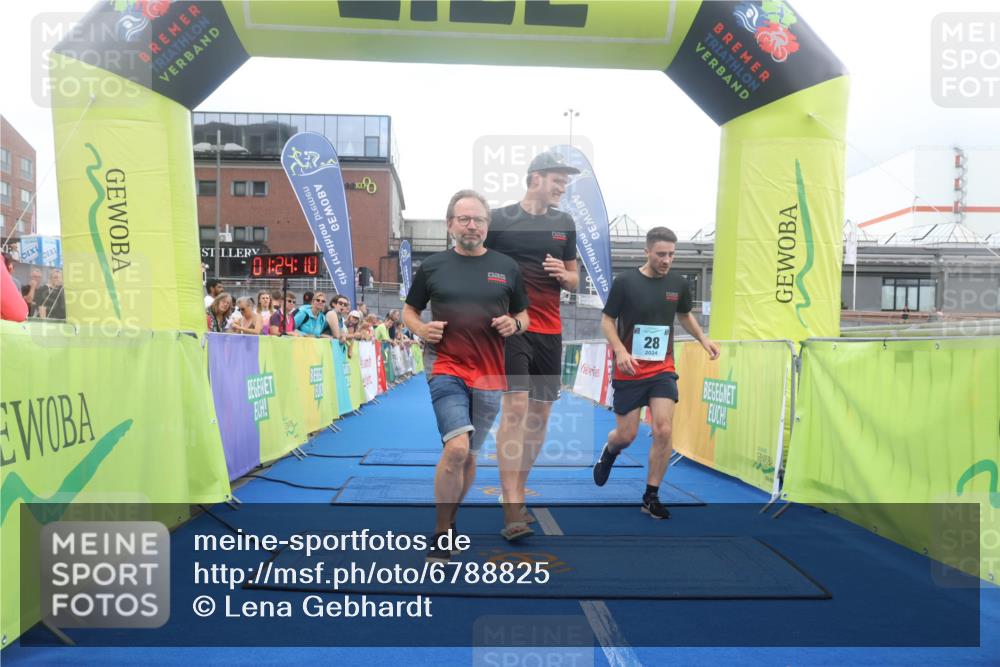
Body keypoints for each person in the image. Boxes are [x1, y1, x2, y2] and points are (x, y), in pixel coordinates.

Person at [403, 189, 529, 562]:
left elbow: (525, 315)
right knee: (456, 447)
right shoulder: (433, 266)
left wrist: (514, 324)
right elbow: (410, 311)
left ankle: (452, 518)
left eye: (478, 219)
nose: (471, 225)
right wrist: (420, 329)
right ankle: (441, 532)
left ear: (487, 225)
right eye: (464, 219)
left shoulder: (507, 267)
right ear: (450, 224)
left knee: (470, 455)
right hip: (446, 366)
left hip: (490, 373)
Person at [592, 227, 720, 519]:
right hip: (629, 368)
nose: (666, 260)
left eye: (671, 254)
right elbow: (607, 320)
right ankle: (610, 450)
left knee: (663, 429)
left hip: (662, 367)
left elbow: (684, 314)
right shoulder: (626, 282)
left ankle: (651, 496)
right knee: (626, 435)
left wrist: (704, 339)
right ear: (647, 252)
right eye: (661, 254)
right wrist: (620, 351)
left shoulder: (678, 283)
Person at [485, 150, 580, 533]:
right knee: (516, 408)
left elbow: (575, 278)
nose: (562, 188)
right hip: (513, 329)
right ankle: (511, 504)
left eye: (565, 182)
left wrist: (564, 275)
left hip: (551, 332)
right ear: (535, 177)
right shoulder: (500, 219)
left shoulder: (565, 223)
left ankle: (518, 490)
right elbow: (477, 264)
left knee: (540, 416)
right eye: (558, 180)